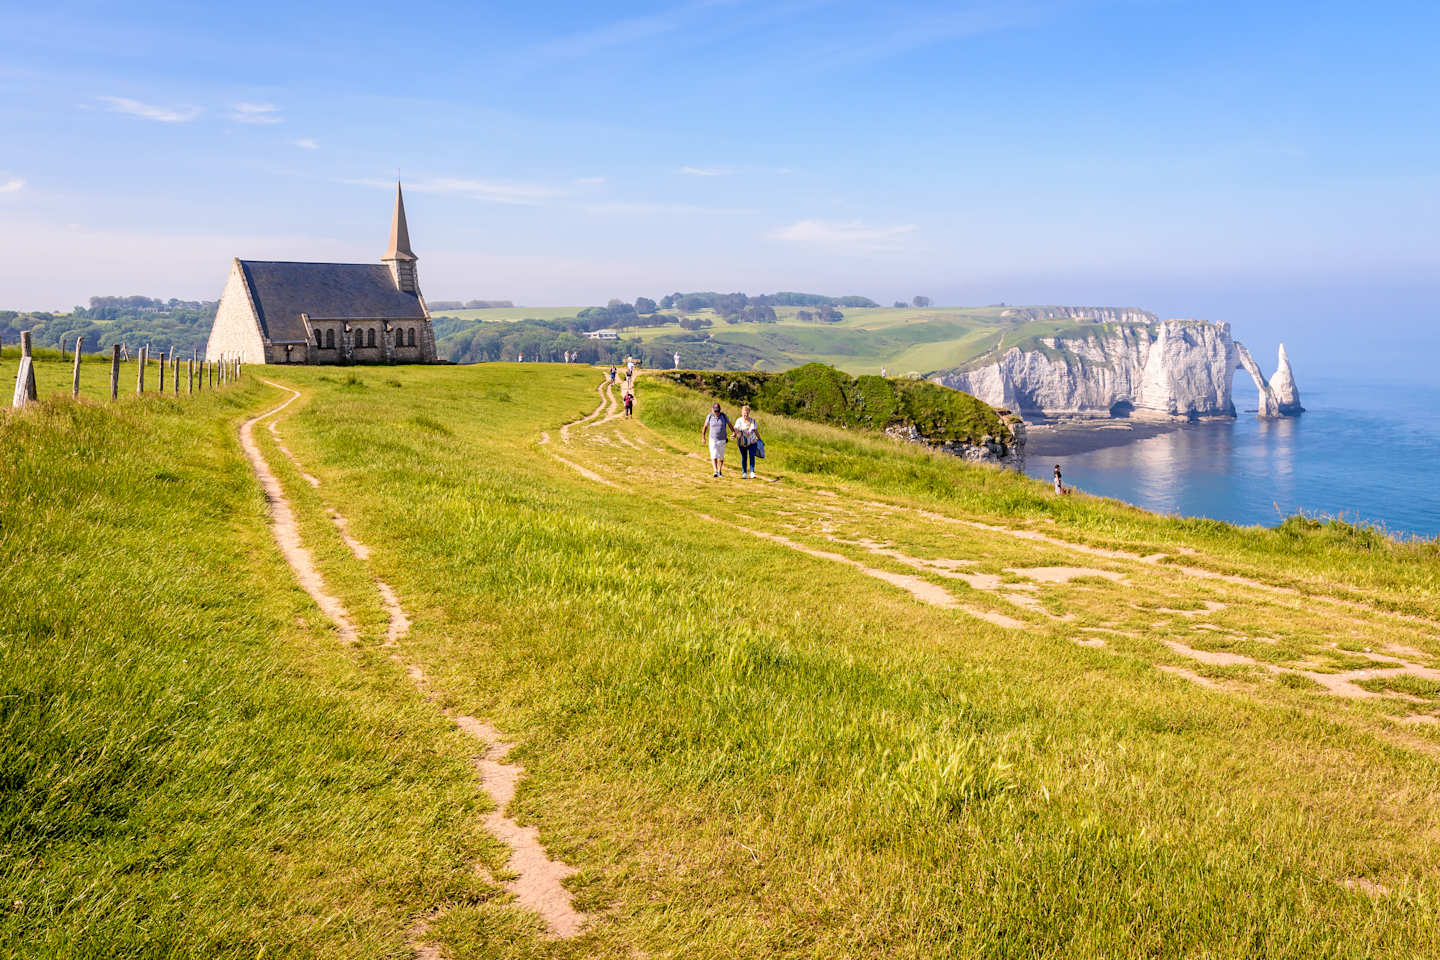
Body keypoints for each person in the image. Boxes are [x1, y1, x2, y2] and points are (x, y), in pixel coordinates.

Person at [702, 402, 732, 478]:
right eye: (715, 411)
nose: (716, 412)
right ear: (712, 410)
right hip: (712, 439)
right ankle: (715, 471)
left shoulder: (724, 416)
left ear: (720, 410)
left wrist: (734, 432)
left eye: (718, 411)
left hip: (722, 439)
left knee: (721, 456)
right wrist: (703, 437)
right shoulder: (709, 416)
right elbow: (705, 427)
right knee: (714, 454)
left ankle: (719, 471)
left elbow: (729, 424)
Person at [734, 404, 761, 479]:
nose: (745, 414)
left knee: (752, 456)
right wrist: (733, 435)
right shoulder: (739, 420)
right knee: (744, 457)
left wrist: (759, 439)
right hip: (742, 442)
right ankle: (744, 473)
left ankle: (752, 472)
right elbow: (736, 429)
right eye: (744, 413)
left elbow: (755, 430)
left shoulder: (753, 421)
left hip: (752, 442)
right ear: (742, 412)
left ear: (749, 413)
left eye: (747, 413)